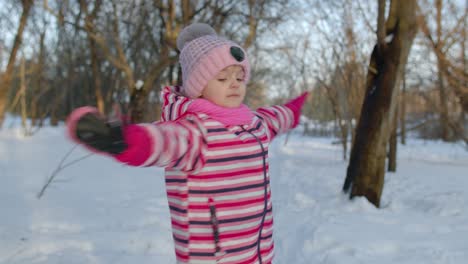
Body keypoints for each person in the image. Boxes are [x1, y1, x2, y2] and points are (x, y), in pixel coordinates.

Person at [67, 23, 308, 264]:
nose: (234, 83)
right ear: (199, 87)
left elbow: (277, 117)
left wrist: (295, 108)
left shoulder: (255, 124)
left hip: (259, 251)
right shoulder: (197, 133)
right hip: (213, 257)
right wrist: (121, 139)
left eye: (239, 77)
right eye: (222, 78)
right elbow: (162, 141)